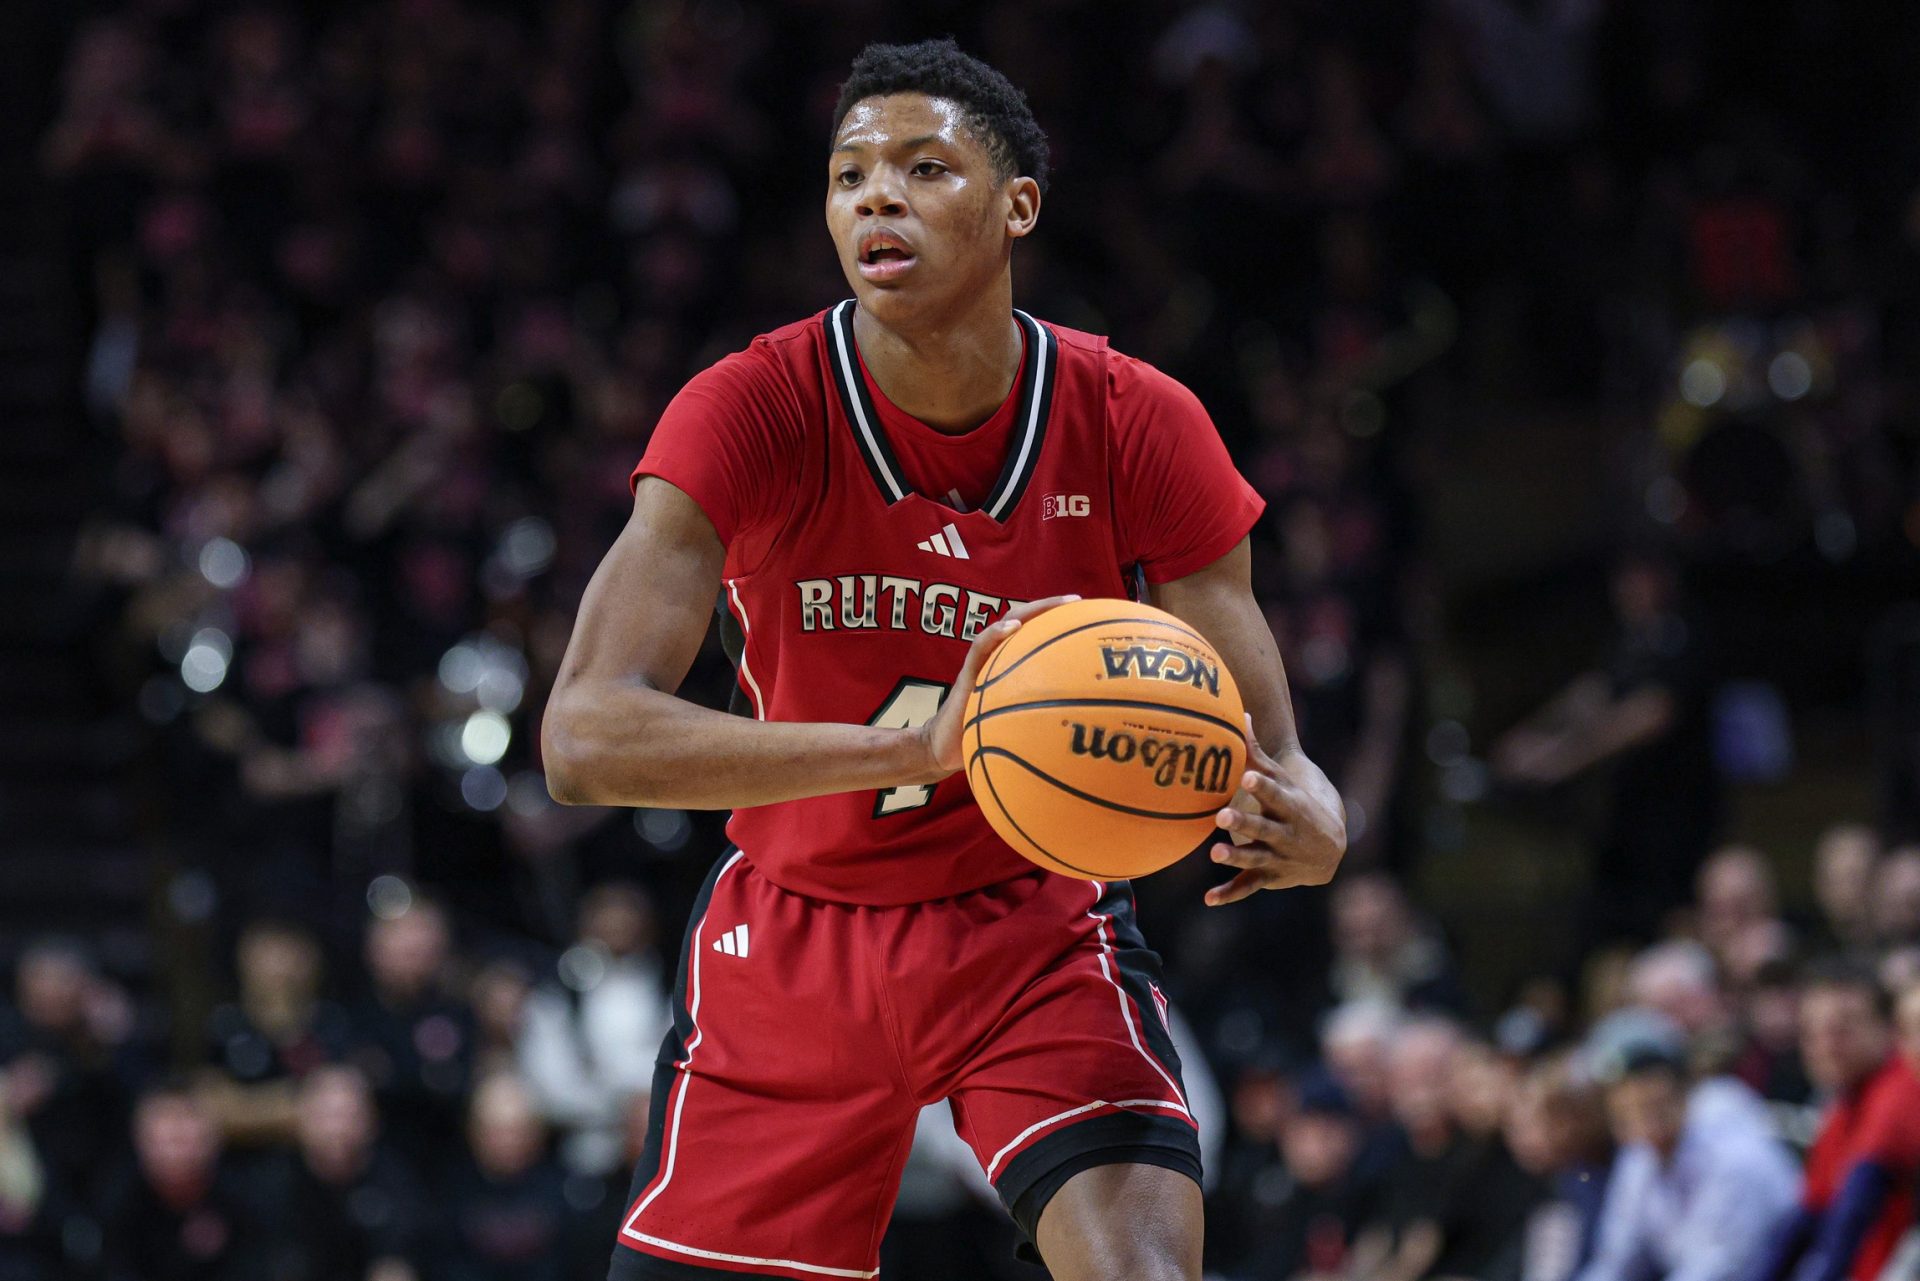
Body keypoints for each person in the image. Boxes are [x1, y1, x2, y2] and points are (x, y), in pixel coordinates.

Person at [541, 37, 1347, 1281]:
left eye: (925, 168)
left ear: (1019, 203)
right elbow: (583, 739)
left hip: (1032, 930)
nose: (877, 196)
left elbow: (1277, 753)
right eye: (849, 172)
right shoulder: (749, 408)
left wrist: (1311, 815)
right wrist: (913, 748)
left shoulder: (1139, 420)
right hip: (797, 934)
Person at [1491, 547, 1720, 944]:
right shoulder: (1629, 639)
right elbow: (1595, 693)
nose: (1629, 589)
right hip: (1626, 811)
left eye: (1640, 578)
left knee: (1669, 919)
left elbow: (1649, 714)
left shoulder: (1683, 635)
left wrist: (1562, 760)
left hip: (1676, 813)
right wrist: (1532, 735)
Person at [1749, 962, 1920, 1281]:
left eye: (1842, 1029)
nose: (1824, 1046)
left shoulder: (1900, 1088)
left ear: (1888, 1029)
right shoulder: (1842, 1107)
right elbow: (1802, 1225)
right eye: (1811, 1032)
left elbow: (1852, 1218)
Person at [1576, 1044, 1799, 1281]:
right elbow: (1615, 1260)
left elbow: (1722, 1268)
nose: (1641, 1119)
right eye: (1625, 1111)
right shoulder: (1639, 1157)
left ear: (1683, 1094)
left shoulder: (1729, 1151)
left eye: (1652, 1104)